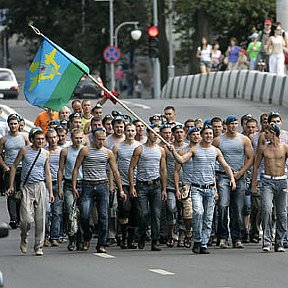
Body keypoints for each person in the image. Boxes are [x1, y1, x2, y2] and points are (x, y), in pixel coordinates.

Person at [171, 125, 236, 254]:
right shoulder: (195, 149)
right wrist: (173, 151)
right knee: (198, 212)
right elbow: (182, 160)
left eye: (210, 134)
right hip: (196, 188)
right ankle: (197, 240)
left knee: (208, 218)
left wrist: (232, 178)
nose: (209, 136)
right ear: (202, 135)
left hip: (210, 189)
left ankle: (204, 244)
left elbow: (226, 166)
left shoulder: (216, 151)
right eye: (206, 133)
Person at [72, 127, 125, 253]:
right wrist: (74, 186)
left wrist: (121, 189)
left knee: (103, 215)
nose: (101, 142)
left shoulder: (108, 153)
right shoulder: (85, 151)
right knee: (84, 214)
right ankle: (87, 236)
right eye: (99, 139)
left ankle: (102, 243)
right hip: (87, 185)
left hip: (102, 185)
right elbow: (76, 168)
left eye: (103, 139)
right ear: (93, 138)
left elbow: (115, 171)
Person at [8, 127, 54, 256]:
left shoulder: (45, 153)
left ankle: (38, 246)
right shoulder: (24, 151)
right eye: (38, 139)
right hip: (26, 187)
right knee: (26, 220)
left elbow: (48, 173)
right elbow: (14, 166)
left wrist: (50, 192)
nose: (40, 141)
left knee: (41, 219)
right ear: (32, 140)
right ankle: (24, 238)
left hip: (40, 186)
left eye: (42, 139)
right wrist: (11, 185)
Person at [213, 115, 254, 249]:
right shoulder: (219, 140)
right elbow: (212, 159)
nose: (233, 126)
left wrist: (241, 172)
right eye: (231, 124)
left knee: (238, 208)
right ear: (227, 125)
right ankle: (223, 236)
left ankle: (237, 237)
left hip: (239, 177)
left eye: (236, 124)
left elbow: (250, 158)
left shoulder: (244, 140)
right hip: (223, 176)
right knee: (223, 206)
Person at [129, 124, 167, 251]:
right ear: (148, 134)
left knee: (156, 213)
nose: (155, 136)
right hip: (141, 185)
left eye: (157, 133)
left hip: (155, 184)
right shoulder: (140, 149)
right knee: (143, 213)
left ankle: (155, 240)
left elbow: (163, 169)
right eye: (153, 133)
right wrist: (132, 186)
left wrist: (164, 188)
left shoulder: (161, 150)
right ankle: (142, 234)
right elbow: (132, 168)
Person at [252, 123, 288, 252]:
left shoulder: (284, 147)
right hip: (267, 181)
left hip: (282, 181)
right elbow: (256, 166)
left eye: (267, 132)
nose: (264, 134)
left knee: (282, 213)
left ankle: (279, 242)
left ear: (273, 133)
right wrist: (254, 184)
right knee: (266, 210)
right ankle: (267, 241)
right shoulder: (263, 148)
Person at [112, 123, 140, 249]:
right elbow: (112, 167)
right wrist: (112, 183)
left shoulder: (139, 147)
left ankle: (131, 238)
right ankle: (122, 236)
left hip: (137, 182)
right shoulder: (117, 147)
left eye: (132, 130)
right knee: (124, 209)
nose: (130, 133)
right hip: (122, 183)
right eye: (128, 130)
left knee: (136, 211)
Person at [0, 114, 29, 229]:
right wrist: (4, 166)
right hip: (10, 169)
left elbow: (30, 151)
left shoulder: (24, 137)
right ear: (8, 125)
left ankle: (20, 217)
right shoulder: (4, 139)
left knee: (21, 195)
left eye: (15, 124)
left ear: (19, 125)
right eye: (11, 124)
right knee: (11, 194)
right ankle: (13, 219)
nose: (13, 126)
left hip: (23, 169)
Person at [174, 126, 201, 247]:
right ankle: (188, 231)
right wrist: (177, 188)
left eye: (198, 134)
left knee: (200, 212)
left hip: (202, 185)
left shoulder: (206, 149)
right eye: (193, 134)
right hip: (187, 185)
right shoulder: (182, 151)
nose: (196, 136)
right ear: (188, 136)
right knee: (188, 213)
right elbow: (176, 171)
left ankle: (199, 235)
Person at [58, 128, 84, 251]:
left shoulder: (85, 150)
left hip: (84, 184)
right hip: (69, 185)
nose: (78, 140)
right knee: (70, 212)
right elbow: (61, 169)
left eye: (80, 138)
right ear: (71, 138)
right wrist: (59, 187)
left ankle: (81, 239)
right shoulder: (65, 151)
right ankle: (72, 238)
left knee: (83, 214)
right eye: (76, 138)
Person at [45, 128, 63, 247]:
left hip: (59, 183)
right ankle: (45, 236)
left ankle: (54, 236)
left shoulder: (62, 151)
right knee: (46, 211)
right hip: (45, 184)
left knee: (57, 212)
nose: (53, 140)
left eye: (55, 137)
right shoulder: (43, 151)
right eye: (50, 138)